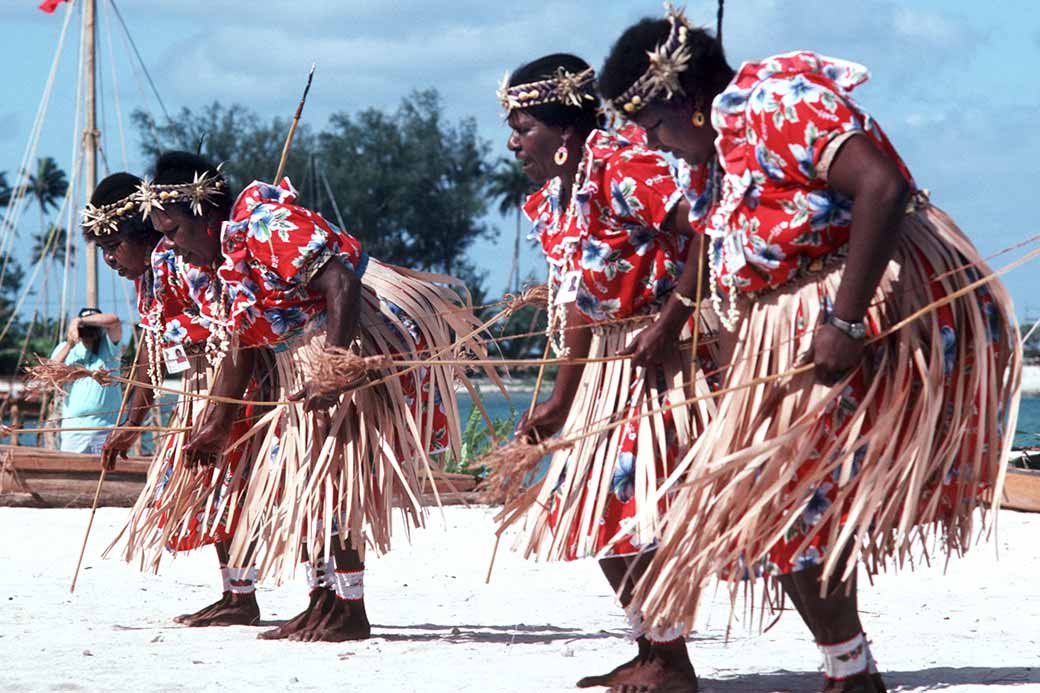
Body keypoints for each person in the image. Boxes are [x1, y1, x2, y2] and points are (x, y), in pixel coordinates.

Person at [598, 7, 1020, 692]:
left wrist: (845, 322)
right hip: (792, 324)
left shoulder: (774, 101)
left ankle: (851, 673)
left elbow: (883, 185)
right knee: (778, 502)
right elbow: (710, 240)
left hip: (865, 308)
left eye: (654, 127)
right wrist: (675, 318)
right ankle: (848, 668)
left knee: (785, 495)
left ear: (684, 101)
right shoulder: (715, 156)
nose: (656, 144)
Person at [136, 151, 498, 642]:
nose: (170, 245)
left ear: (203, 212)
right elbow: (247, 340)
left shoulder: (265, 226)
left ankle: (349, 609)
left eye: (173, 229)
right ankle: (323, 601)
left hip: (338, 345)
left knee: (329, 477)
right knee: (301, 482)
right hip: (297, 360)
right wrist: (219, 422)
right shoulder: (227, 258)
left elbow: (340, 282)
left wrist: (333, 367)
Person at [495, 53, 718, 692]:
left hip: (666, 359)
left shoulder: (626, 167)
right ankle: (653, 646)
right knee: (594, 509)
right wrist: (562, 401)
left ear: (565, 130)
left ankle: (671, 663)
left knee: (626, 503)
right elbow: (577, 303)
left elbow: (707, 226)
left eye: (524, 127)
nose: (514, 142)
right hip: (608, 368)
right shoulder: (552, 203)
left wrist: (672, 321)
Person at [82, 172, 262, 627]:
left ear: (142, 236)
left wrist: (221, 410)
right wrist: (130, 424)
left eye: (113, 246)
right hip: (198, 392)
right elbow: (151, 351)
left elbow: (237, 333)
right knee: (209, 491)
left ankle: (251, 596)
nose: (109, 260)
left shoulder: (182, 262)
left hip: (232, 388)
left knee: (231, 488)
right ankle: (236, 592)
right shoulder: (148, 278)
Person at [49, 307, 123, 454]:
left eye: (92, 328)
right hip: (73, 431)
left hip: (106, 429)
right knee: (70, 475)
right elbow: (49, 371)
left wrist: (81, 321)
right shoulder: (66, 348)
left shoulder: (109, 347)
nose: (88, 333)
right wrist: (70, 343)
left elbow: (114, 321)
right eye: (84, 329)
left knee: (107, 473)